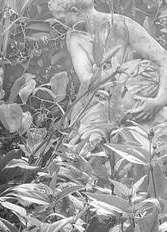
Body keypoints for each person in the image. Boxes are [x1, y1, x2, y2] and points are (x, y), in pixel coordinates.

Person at [50, 0, 167, 150]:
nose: (63, 24)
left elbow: (163, 58)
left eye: (63, 18)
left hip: (134, 88)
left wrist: (158, 101)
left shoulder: (121, 24)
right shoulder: (75, 36)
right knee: (87, 141)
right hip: (100, 97)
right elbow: (87, 80)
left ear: (75, 12)